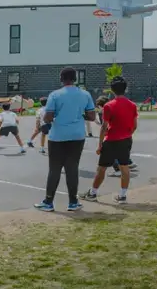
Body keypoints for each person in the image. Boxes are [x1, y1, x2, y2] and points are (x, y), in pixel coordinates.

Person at [34, 67, 96, 213]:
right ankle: (73, 202)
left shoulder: (55, 95)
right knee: (72, 169)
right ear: (75, 79)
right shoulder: (85, 94)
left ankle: (48, 202)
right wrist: (80, 116)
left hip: (58, 136)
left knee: (55, 169)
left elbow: (47, 117)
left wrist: (56, 117)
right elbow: (92, 116)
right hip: (77, 135)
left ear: (61, 78)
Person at [83, 76, 138, 204]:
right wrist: (128, 133)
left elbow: (104, 127)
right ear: (125, 89)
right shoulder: (132, 105)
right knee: (124, 167)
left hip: (112, 140)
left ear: (112, 90)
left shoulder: (109, 106)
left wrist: (100, 144)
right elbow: (134, 125)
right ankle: (123, 195)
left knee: (101, 168)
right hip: (126, 139)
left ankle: (93, 193)